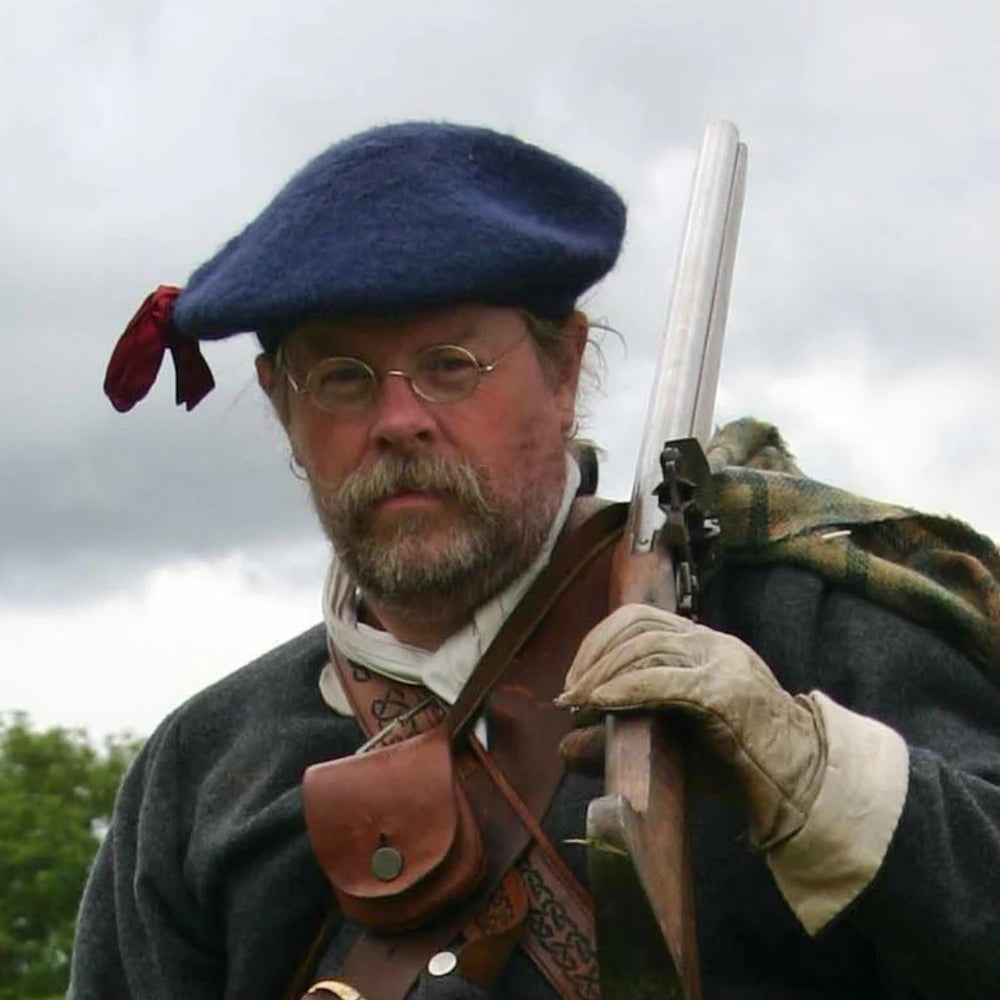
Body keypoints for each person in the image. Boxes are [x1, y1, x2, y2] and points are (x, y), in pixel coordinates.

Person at [70, 122, 1000, 1000]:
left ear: (566, 372)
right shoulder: (206, 769)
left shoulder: (805, 630)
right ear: (284, 408)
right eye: (342, 378)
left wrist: (817, 778)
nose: (399, 423)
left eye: (449, 365)